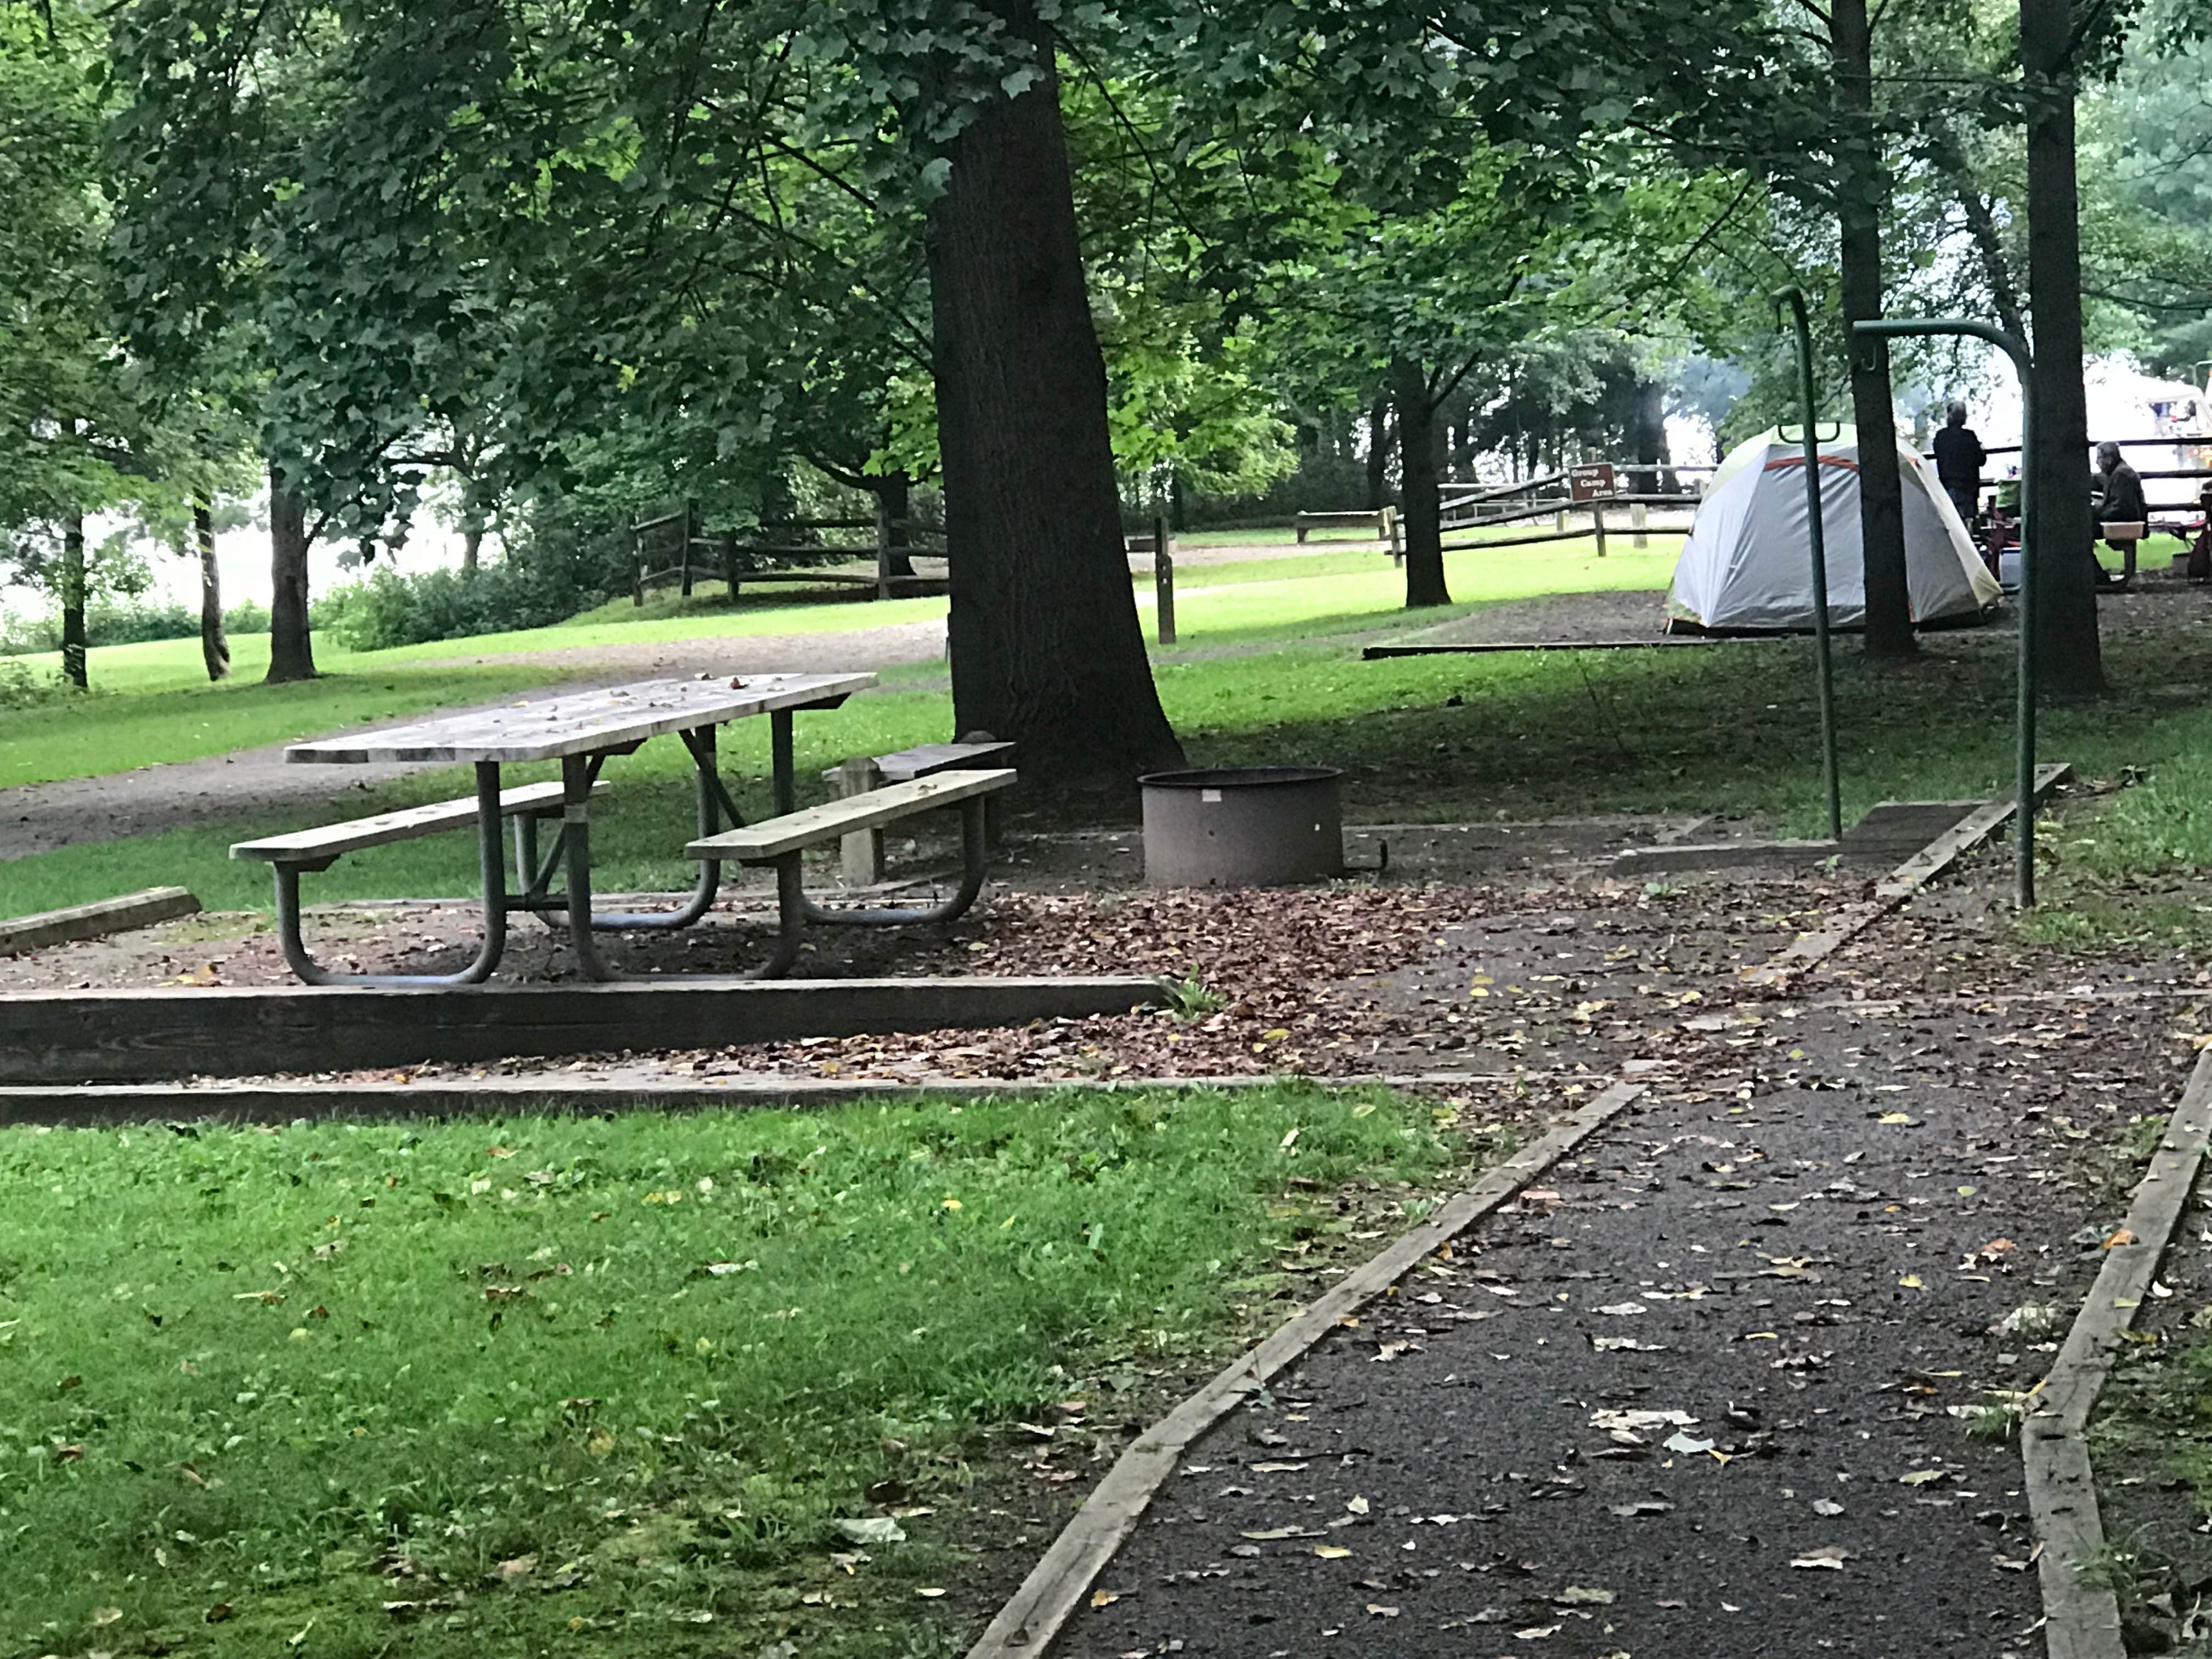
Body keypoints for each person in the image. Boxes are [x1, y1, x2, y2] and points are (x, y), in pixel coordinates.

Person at [2094, 441, 2147, 588]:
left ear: (2109, 458)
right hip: (2125, 519)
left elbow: (2121, 508)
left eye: (2099, 458)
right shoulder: (2119, 472)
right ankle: (2096, 575)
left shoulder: (2121, 475)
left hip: (2124, 521)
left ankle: (2097, 576)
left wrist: (2096, 513)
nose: (2097, 462)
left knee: (2079, 532)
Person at [1932, 400, 1985, 526]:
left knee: (1951, 521)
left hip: (1948, 485)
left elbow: (1938, 453)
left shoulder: (1941, 436)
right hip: (1968, 487)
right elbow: (1981, 460)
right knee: (1967, 520)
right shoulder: (1970, 437)